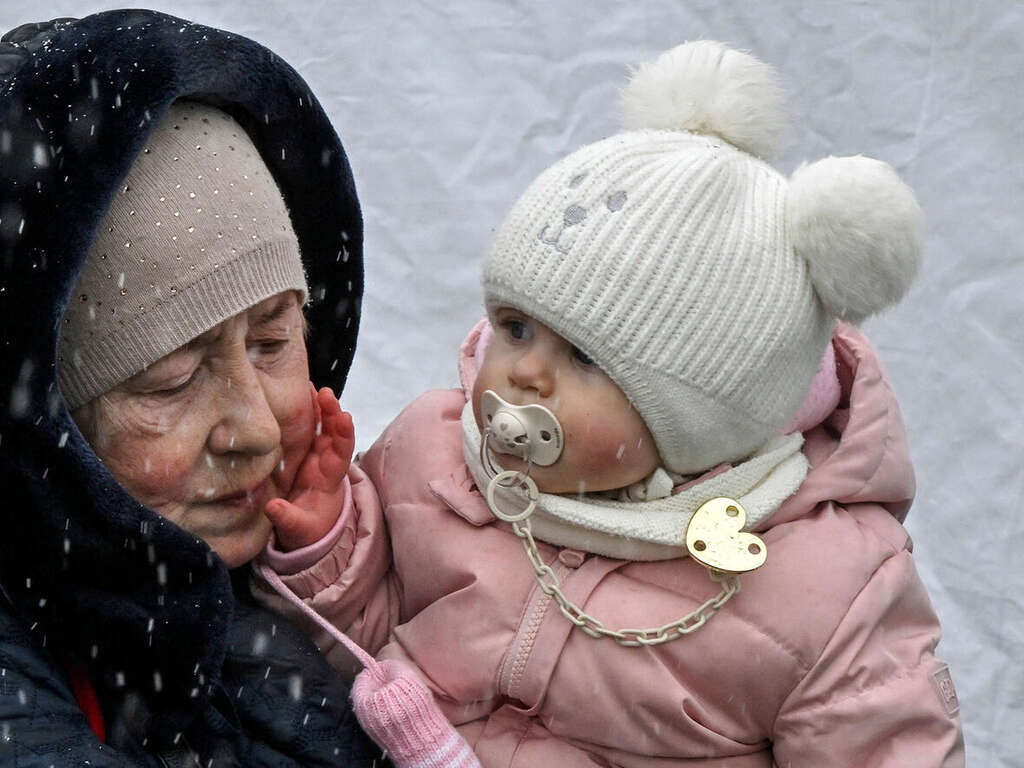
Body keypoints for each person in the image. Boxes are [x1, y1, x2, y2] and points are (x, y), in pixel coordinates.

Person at [253, 42, 966, 766]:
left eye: (586, 357)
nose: (524, 374)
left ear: (702, 418)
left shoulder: (823, 587)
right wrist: (328, 546)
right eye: (516, 327)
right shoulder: (431, 455)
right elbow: (367, 652)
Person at [0, 10, 388, 765]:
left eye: (274, 341)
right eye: (170, 381)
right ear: (46, 426)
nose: (258, 430)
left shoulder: (357, 557)